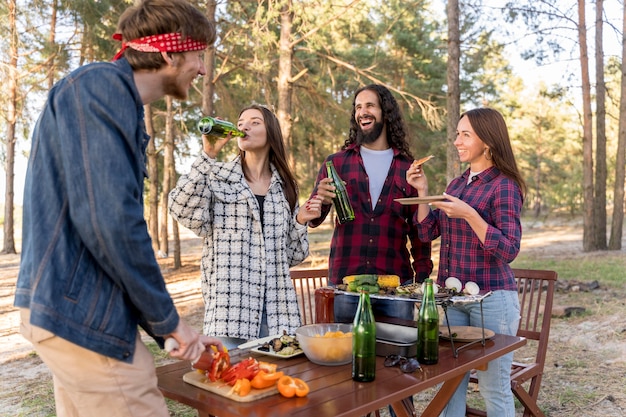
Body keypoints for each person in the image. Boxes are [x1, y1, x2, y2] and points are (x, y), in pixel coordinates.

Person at [13, 1, 224, 416]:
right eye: (199, 55)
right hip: (84, 316)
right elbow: (111, 222)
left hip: (74, 314)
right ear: (170, 53)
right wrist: (170, 322)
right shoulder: (101, 87)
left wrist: (176, 334)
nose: (202, 69)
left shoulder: (114, 101)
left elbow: (105, 222)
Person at [169, 104, 323, 350]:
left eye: (254, 122)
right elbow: (179, 207)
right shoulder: (217, 176)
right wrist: (207, 156)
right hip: (230, 312)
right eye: (241, 122)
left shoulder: (285, 186)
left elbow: (292, 256)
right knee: (230, 383)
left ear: (270, 132)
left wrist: (300, 221)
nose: (244, 126)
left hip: (277, 315)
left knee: (277, 384)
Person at [406, 107, 526, 417]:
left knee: (493, 386)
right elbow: (425, 230)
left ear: (487, 141)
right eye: (457, 134)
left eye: (465, 135)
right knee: (450, 383)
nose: (457, 141)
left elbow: (509, 249)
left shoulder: (504, 185)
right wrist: (422, 192)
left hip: (493, 300)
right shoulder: (457, 186)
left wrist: (470, 214)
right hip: (453, 301)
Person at [308, 84, 433, 323]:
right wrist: (318, 200)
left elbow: (419, 230)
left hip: (396, 286)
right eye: (358, 107)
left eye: (369, 106)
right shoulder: (336, 163)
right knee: (344, 356)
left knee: (395, 355)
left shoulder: (409, 167)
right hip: (346, 284)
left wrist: (422, 277)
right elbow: (314, 218)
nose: (362, 112)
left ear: (385, 112)